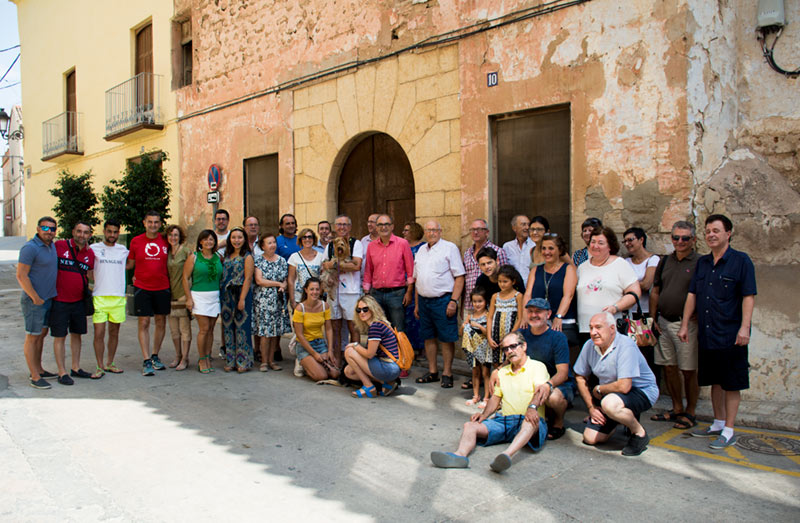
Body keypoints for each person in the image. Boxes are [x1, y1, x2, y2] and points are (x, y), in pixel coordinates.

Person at [679, 214, 756, 449]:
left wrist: (744, 328)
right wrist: (684, 324)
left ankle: (729, 429)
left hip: (732, 334)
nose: (711, 235)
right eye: (708, 231)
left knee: (732, 383)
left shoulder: (741, 261)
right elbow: (692, 294)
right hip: (708, 334)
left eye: (716, 230)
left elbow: (748, 296)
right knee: (714, 382)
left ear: (728, 233)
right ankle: (718, 423)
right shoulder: (702, 263)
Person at [430, 332, 549, 472]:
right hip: (505, 421)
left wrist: (532, 407)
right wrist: (484, 415)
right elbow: (495, 398)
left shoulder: (537, 366)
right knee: (470, 425)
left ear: (524, 346)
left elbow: (540, 391)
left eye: (513, 346)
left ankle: (506, 456)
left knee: (530, 421)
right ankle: (460, 455)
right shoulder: (502, 372)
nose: (509, 351)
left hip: (529, 420)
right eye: (505, 349)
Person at [574, 312, 659, 456]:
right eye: (591, 328)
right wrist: (591, 408)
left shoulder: (626, 345)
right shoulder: (589, 345)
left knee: (609, 404)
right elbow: (580, 376)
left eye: (598, 327)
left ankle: (639, 433)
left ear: (612, 329)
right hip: (612, 395)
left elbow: (624, 386)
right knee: (590, 438)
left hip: (641, 391)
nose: (593, 332)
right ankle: (617, 418)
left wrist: (599, 389)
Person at [649, 221, 700, 430]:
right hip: (663, 322)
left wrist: (690, 320)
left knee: (688, 369)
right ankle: (677, 407)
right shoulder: (665, 261)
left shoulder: (699, 262)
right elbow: (655, 290)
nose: (680, 242)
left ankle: (691, 411)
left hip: (685, 324)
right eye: (676, 238)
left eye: (685, 238)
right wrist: (653, 318)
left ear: (693, 240)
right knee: (669, 368)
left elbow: (700, 293)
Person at [414, 220, 465, 388]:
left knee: (446, 338)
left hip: (443, 300)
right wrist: (416, 304)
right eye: (428, 230)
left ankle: (447, 373)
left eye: (434, 230)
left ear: (440, 231)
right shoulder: (421, 250)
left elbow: (459, 276)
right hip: (423, 300)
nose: (431, 233)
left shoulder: (449, 248)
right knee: (428, 337)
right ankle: (433, 371)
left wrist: (453, 301)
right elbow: (417, 279)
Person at [516, 298, 575, 440]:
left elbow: (563, 373)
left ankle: (558, 423)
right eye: (530, 312)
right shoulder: (521, 334)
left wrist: (548, 385)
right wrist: (497, 372)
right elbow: (510, 358)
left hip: (556, 383)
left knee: (553, 398)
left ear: (548, 314)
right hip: (530, 380)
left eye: (538, 312)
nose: (533, 315)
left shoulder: (558, 337)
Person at [576, 226, 641, 343]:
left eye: (600, 243)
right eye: (593, 242)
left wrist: (615, 307)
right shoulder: (582, 267)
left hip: (611, 328)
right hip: (586, 328)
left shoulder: (620, 264)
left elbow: (635, 293)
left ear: (610, 246)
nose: (595, 246)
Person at [126, 210, 171, 376]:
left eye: (156, 222)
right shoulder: (136, 241)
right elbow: (129, 265)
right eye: (150, 222)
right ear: (144, 223)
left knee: (161, 322)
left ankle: (155, 356)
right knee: (143, 322)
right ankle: (146, 360)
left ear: (160, 224)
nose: (153, 225)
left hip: (162, 287)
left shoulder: (166, 241)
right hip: (142, 288)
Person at [50, 221, 95, 383]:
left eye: (85, 232)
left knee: (77, 335)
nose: (81, 235)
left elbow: (90, 275)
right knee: (60, 336)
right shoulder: (59, 246)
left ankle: (75, 367)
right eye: (79, 231)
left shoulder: (90, 254)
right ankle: (62, 372)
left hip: (78, 302)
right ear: (73, 231)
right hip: (59, 301)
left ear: (89, 235)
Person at [18, 216, 59, 389]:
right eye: (45, 228)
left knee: (41, 336)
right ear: (37, 228)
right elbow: (21, 275)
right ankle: (34, 376)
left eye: (52, 229)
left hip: (48, 299)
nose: (48, 232)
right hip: (34, 300)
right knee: (32, 337)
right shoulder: (30, 248)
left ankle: (39, 369)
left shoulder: (52, 247)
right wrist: (34, 297)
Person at [521, 233, 578, 349]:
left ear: (560, 250)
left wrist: (558, 317)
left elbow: (568, 295)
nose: (547, 252)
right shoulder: (536, 270)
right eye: (544, 248)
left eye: (551, 248)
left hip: (562, 321)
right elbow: (528, 294)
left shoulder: (568, 269)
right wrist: (524, 315)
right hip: (538, 321)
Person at [322, 214, 364, 367]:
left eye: (345, 225)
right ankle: (338, 360)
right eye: (339, 225)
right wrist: (338, 266)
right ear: (335, 227)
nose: (342, 227)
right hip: (333, 291)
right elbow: (324, 265)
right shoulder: (330, 245)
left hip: (351, 292)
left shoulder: (356, 244)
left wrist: (334, 265)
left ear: (350, 227)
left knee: (354, 326)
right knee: (335, 326)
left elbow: (357, 266)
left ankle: (355, 360)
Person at [362, 214, 414, 331]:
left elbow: (410, 270)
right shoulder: (371, 246)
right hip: (376, 295)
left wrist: (409, 292)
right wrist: (366, 293)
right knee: (378, 329)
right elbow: (368, 271)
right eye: (380, 224)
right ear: (376, 227)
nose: (383, 227)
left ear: (392, 227)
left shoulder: (402, 244)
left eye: (386, 224)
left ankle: (399, 350)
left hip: (396, 294)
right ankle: (381, 350)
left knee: (398, 329)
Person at [90, 219, 128, 376]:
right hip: (99, 297)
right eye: (109, 231)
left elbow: (131, 265)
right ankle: (99, 366)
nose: (112, 234)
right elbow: (87, 269)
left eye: (115, 232)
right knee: (99, 333)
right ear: (104, 231)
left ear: (118, 233)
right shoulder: (93, 249)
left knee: (114, 333)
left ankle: (110, 363)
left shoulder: (123, 250)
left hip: (118, 297)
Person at [344, 294, 402, 398]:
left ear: (372, 309)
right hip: (392, 367)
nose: (362, 312)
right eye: (359, 310)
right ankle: (387, 382)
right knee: (349, 371)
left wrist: (355, 345)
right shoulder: (381, 323)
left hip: (388, 367)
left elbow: (370, 354)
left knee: (349, 351)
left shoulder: (375, 326)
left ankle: (368, 387)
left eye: (365, 309)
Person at [184, 229, 222, 374]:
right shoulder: (194, 257)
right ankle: (201, 359)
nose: (208, 242)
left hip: (215, 296)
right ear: (200, 241)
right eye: (205, 239)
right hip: (199, 296)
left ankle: (207, 356)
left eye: (211, 239)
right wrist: (188, 298)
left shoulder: (218, 257)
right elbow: (185, 278)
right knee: (204, 329)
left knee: (211, 329)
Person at [254, 233, 292, 371]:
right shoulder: (259, 260)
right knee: (265, 332)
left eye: (274, 242)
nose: (272, 245)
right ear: (263, 246)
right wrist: (278, 284)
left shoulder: (282, 260)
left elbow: (286, 279)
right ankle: (263, 361)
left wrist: (284, 285)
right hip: (264, 300)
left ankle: (271, 360)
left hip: (278, 300)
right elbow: (259, 280)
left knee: (276, 331)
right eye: (269, 243)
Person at [220, 226, 255, 373]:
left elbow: (248, 278)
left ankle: (243, 360)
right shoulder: (227, 255)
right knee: (228, 327)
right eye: (233, 237)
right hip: (227, 296)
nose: (236, 240)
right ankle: (230, 360)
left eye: (240, 237)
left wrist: (242, 299)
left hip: (241, 294)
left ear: (244, 240)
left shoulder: (247, 256)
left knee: (242, 328)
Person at [292, 277, 339, 381]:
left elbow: (329, 329)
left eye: (317, 289)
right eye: (312, 289)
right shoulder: (300, 308)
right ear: (306, 290)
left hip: (320, 343)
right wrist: (314, 354)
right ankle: (302, 362)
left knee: (335, 374)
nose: (315, 292)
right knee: (321, 376)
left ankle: (313, 362)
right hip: (305, 345)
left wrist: (330, 350)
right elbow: (299, 334)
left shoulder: (324, 306)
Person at [462, 218, 509, 312]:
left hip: (492, 305)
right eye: (472, 230)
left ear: (487, 232)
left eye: (479, 229)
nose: (475, 232)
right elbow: (465, 280)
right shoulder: (467, 253)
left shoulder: (498, 251)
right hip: (470, 304)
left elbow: (505, 277)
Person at [165, 224, 192, 370]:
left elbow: (191, 274)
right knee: (174, 329)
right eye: (170, 235)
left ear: (180, 237)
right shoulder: (166, 252)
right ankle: (177, 355)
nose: (173, 238)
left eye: (175, 235)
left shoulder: (187, 252)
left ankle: (185, 358)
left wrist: (189, 297)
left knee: (184, 329)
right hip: (169, 295)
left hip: (182, 294)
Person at [401, 221, 425, 378]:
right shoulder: (403, 246)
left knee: (418, 320)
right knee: (407, 320)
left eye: (407, 230)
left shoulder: (422, 248)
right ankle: (410, 350)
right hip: (402, 286)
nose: (403, 232)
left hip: (418, 287)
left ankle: (421, 350)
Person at [461, 287, 491, 407]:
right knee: (475, 372)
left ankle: (487, 397)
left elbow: (487, 332)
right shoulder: (470, 315)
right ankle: (475, 395)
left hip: (484, 348)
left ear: (486, 302)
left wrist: (477, 325)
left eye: (480, 301)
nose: (477, 304)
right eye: (475, 301)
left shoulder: (488, 315)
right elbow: (461, 331)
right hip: (473, 348)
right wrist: (464, 326)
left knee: (485, 373)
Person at [623, 227, 660, 315]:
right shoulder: (626, 262)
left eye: (630, 240)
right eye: (625, 241)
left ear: (641, 240)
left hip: (646, 311)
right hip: (629, 311)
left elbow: (647, 284)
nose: (627, 244)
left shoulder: (653, 259)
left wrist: (627, 287)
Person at [487, 266, 524, 351]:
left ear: (513, 281)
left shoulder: (518, 296)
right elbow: (490, 317)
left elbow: (520, 318)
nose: (502, 284)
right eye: (499, 281)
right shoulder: (495, 296)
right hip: (495, 335)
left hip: (511, 334)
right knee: (495, 360)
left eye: (505, 281)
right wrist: (489, 337)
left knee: (509, 357)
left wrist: (509, 336)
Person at [502, 214, 534, 284]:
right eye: (523, 224)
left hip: (531, 288)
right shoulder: (507, 247)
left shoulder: (535, 245)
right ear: (514, 228)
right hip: (513, 289)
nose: (527, 227)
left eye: (528, 225)